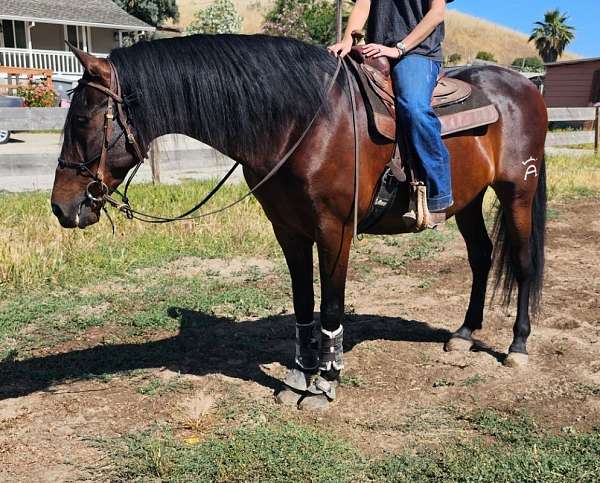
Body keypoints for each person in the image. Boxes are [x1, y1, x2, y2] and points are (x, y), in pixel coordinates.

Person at [329, 0, 454, 222]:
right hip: (376, 51)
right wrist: (347, 40)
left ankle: (439, 192)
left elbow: (437, 13)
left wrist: (399, 49)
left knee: (414, 108)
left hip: (417, 53)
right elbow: (362, 5)